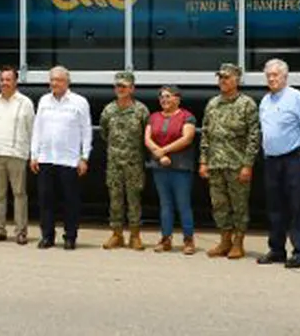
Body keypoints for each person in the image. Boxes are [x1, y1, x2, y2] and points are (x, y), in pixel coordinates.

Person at [256, 59, 300, 268]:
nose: (271, 79)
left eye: (275, 75)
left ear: (285, 76)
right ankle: (277, 249)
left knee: (297, 205)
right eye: (268, 75)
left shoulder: (296, 98)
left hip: (294, 158)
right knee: (275, 206)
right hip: (272, 160)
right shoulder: (265, 101)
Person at [198, 63, 262, 260]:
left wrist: (247, 164)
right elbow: (206, 134)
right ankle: (224, 241)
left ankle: (238, 243)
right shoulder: (213, 104)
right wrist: (203, 161)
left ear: (237, 80)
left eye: (226, 77)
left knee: (239, 205)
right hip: (216, 163)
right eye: (220, 77)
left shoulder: (247, 104)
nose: (222, 81)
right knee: (219, 205)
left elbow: (254, 137)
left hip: (237, 164)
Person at [30, 66, 92, 250]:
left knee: (70, 201)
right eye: (52, 80)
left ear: (67, 82)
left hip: (69, 160)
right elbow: (37, 129)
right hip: (46, 158)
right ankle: (47, 236)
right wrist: (34, 155)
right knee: (45, 200)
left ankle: (70, 237)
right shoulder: (44, 101)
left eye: (58, 80)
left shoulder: (79, 102)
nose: (54, 83)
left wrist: (84, 157)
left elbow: (86, 131)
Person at [98, 71, 151, 251]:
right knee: (115, 200)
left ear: (132, 89)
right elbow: (104, 133)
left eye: (124, 86)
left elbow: (146, 136)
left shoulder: (141, 110)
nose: (120, 89)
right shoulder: (109, 110)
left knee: (134, 200)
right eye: (117, 86)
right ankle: (117, 234)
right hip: (114, 163)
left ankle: (135, 235)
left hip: (134, 163)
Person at [144, 84, 199, 255]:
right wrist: (159, 155)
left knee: (183, 204)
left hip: (181, 167)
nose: (164, 100)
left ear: (177, 99)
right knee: (165, 204)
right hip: (160, 166)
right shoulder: (153, 117)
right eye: (161, 97)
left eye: (168, 96)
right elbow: (147, 139)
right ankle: (165, 238)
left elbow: (187, 138)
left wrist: (164, 150)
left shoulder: (187, 116)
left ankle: (188, 239)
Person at [0, 65, 35, 245]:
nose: (4, 83)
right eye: (2, 80)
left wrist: (31, 153)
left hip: (17, 154)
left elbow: (31, 129)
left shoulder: (25, 103)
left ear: (15, 81)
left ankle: (21, 232)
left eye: (8, 79)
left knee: (19, 194)